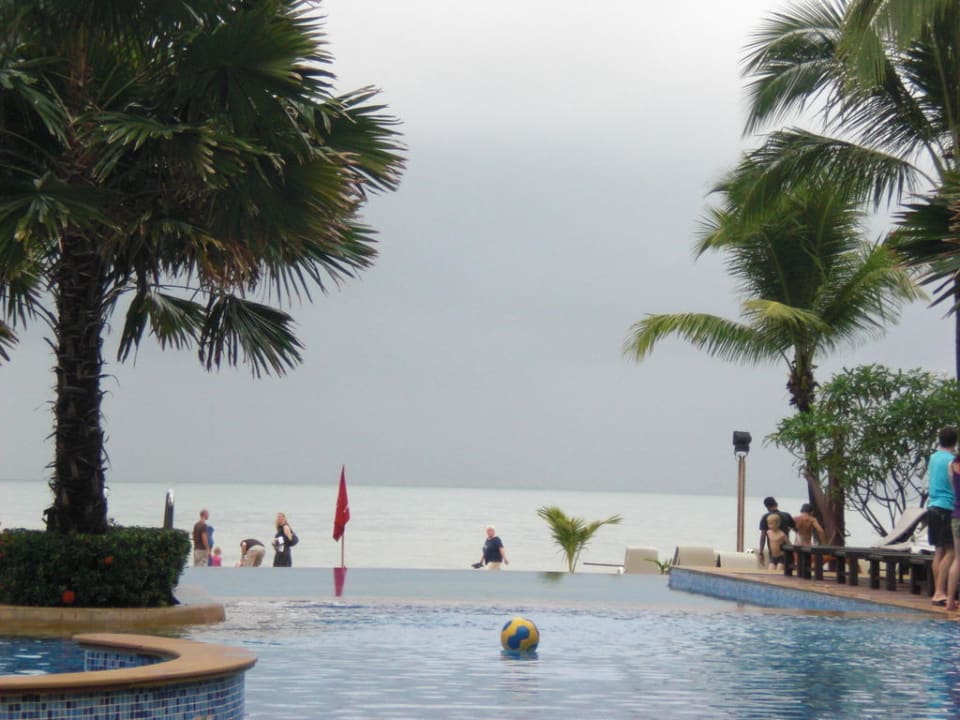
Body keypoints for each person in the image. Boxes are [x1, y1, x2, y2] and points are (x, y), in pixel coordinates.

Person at [929, 427, 958, 605]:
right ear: (955, 441)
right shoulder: (952, 460)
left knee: (938, 551)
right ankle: (940, 592)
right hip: (946, 507)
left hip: (932, 506)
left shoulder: (933, 458)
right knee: (951, 551)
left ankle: (937, 591)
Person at [757, 497, 794, 565]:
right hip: (786, 550)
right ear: (776, 504)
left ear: (766, 507)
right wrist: (787, 531)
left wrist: (761, 552)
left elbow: (763, 536)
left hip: (773, 551)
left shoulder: (765, 517)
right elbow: (794, 528)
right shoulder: (787, 515)